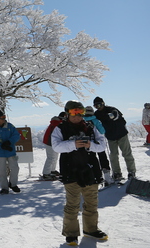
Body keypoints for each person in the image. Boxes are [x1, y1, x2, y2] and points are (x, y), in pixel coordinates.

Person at [52, 100, 108, 245]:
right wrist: (73, 144)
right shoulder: (60, 128)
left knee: (91, 202)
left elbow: (102, 145)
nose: (77, 116)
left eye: (80, 112)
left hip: (90, 169)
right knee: (72, 204)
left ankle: (91, 229)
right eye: (74, 112)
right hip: (70, 170)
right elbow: (56, 146)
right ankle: (71, 234)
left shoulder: (91, 127)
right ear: (67, 113)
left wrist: (90, 145)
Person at [93, 96, 136, 180]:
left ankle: (131, 172)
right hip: (110, 137)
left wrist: (109, 117)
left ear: (103, 103)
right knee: (113, 155)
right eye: (96, 106)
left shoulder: (111, 109)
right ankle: (117, 173)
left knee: (127, 154)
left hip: (121, 134)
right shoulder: (97, 114)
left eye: (99, 105)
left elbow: (116, 115)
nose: (98, 107)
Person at [0, 110, 20, 194]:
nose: (4, 119)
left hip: (10, 151)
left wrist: (9, 142)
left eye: (4, 117)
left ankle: (13, 184)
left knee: (15, 168)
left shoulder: (9, 126)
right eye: (2, 117)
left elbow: (16, 135)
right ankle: (4, 188)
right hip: (0, 153)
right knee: (2, 171)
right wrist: (1, 146)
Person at [83, 106, 113, 185]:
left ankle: (96, 177)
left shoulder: (82, 121)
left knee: (93, 160)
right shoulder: (96, 120)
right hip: (98, 142)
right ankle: (107, 177)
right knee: (103, 158)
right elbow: (102, 131)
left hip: (88, 144)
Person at [41, 112, 65, 180]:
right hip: (50, 142)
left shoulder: (56, 122)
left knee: (54, 157)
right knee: (51, 157)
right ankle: (46, 173)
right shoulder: (57, 123)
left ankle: (52, 170)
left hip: (53, 142)